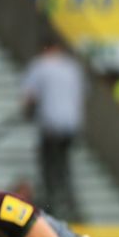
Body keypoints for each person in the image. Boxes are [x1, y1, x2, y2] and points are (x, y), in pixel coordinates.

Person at [20, 38, 85, 220]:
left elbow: (29, 97)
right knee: (64, 168)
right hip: (71, 126)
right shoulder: (72, 67)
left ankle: (53, 209)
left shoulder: (40, 66)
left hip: (51, 126)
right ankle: (71, 208)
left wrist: (27, 114)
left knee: (49, 169)